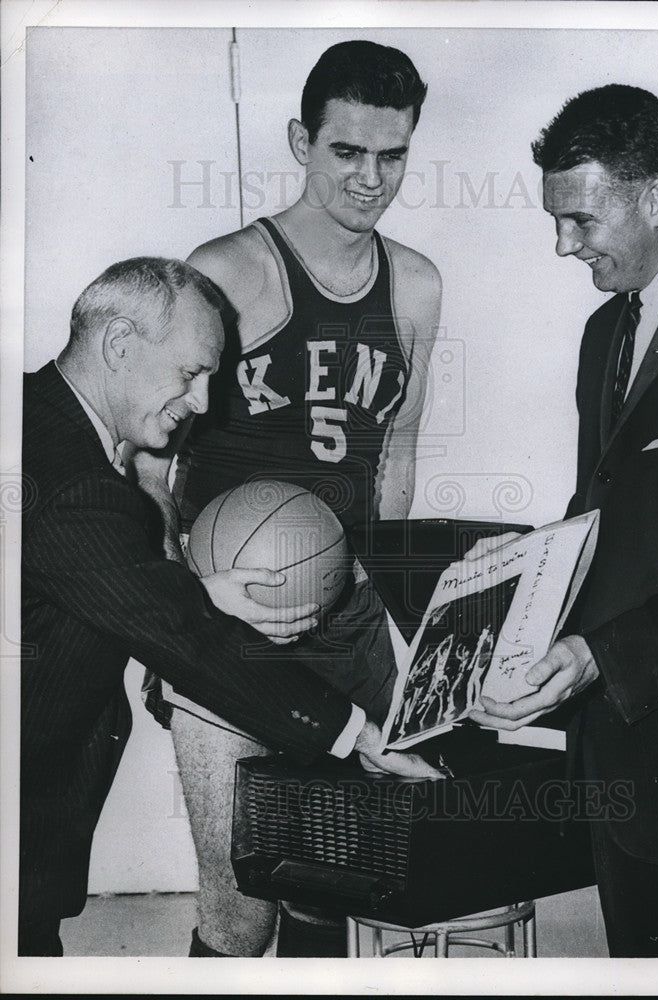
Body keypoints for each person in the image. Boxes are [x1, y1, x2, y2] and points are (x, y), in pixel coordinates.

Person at [19, 257, 439, 957]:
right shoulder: (81, 489)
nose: (204, 402)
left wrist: (194, 590)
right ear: (119, 344)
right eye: (190, 373)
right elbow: (191, 643)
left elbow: (79, 586)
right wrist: (358, 736)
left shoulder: (29, 418)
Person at [131, 40, 441, 957]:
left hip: (343, 617)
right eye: (347, 151)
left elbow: (401, 448)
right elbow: (149, 457)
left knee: (328, 888)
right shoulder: (225, 269)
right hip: (234, 621)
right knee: (241, 907)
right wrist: (178, 588)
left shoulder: (415, 284)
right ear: (303, 139)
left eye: (392, 154)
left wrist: (394, 608)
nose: (370, 178)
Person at [470, 85, 658, 957]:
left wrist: (598, 655)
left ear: (656, 200)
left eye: (581, 221)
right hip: (622, 771)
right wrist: (520, 568)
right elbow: (610, 513)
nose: (562, 245)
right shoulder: (604, 331)